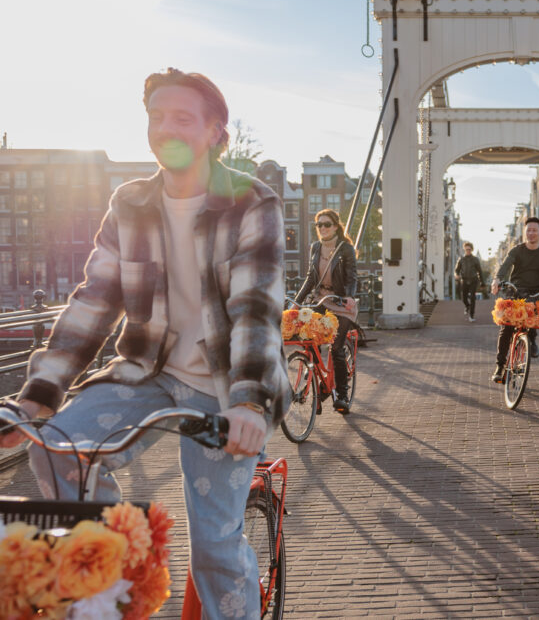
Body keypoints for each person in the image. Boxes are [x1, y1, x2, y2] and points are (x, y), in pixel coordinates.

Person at [0, 68, 290, 614]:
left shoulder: (252, 201)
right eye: (156, 117)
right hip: (149, 371)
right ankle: (121, 585)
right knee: (58, 448)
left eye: (182, 118)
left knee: (213, 547)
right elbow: (94, 300)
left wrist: (250, 402)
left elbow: (255, 307)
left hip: (227, 384)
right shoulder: (129, 202)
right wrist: (37, 397)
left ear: (214, 132)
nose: (165, 128)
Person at [294, 208, 357, 411]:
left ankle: (342, 396)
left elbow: (351, 276)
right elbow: (311, 277)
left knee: (336, 347)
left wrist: (346, 297)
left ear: (336, 227)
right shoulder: (315, 247)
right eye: (319, 225)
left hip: (340, 303)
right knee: (306, 336)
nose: (322, 228)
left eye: (327, 224)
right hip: (321, 299)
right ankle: (315, 377)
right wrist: (296, 302)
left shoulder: (345, 249)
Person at [490, 217, 539, 382]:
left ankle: (532, 339)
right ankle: (500, 366)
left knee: (531, 319)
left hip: (536, 291)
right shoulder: (516, 250)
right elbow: (505, 266)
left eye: (535, 230)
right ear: (524, 232)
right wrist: (497, 279)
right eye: (529, 230)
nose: (531, 233)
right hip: (516, 290)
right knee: (506, 327)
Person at [455, 241, 485, 321]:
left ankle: (471, 316)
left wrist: (482, 282)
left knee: (472, 297)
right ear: (464, 249)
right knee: (464, 297)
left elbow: (480, 271)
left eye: (469, 249)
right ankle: (467, 306)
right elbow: (457, 270)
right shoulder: (461, 259)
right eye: (466, 249)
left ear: (472, 250)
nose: (468, 251)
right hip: (464, 280)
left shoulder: (475, 259)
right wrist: (456, 275)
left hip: (473, 280)